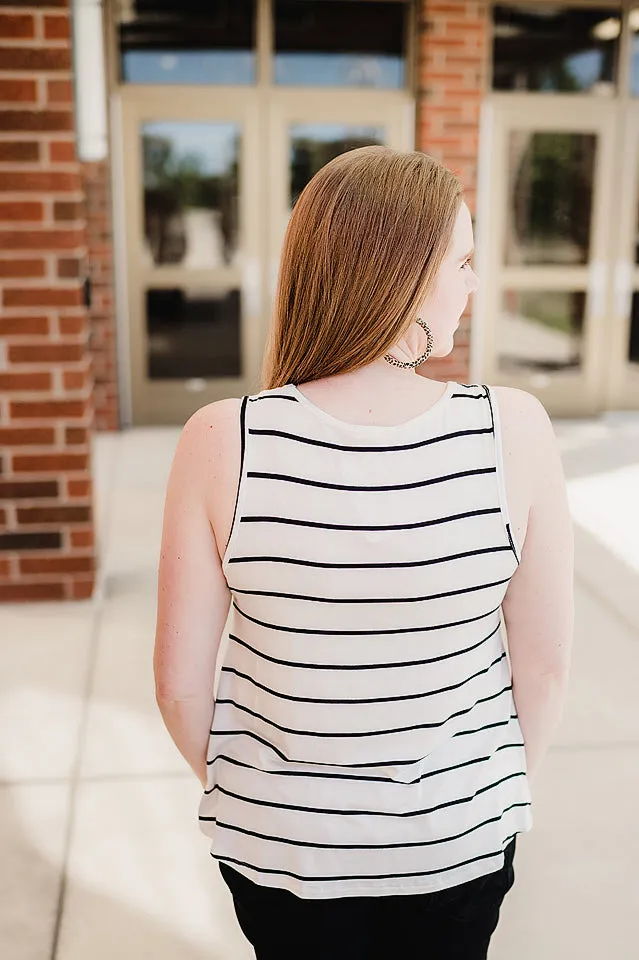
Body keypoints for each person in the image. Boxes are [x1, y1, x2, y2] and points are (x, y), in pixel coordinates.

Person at [153, 146, 574, 959]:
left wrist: (270, 800)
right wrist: (482, 796)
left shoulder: (221, 439)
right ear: (402, 274)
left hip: (278, 852)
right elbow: (544, 672)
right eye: (462, 260)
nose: (474, 283)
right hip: (458, 840)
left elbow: (177, 689)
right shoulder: (511, 429)